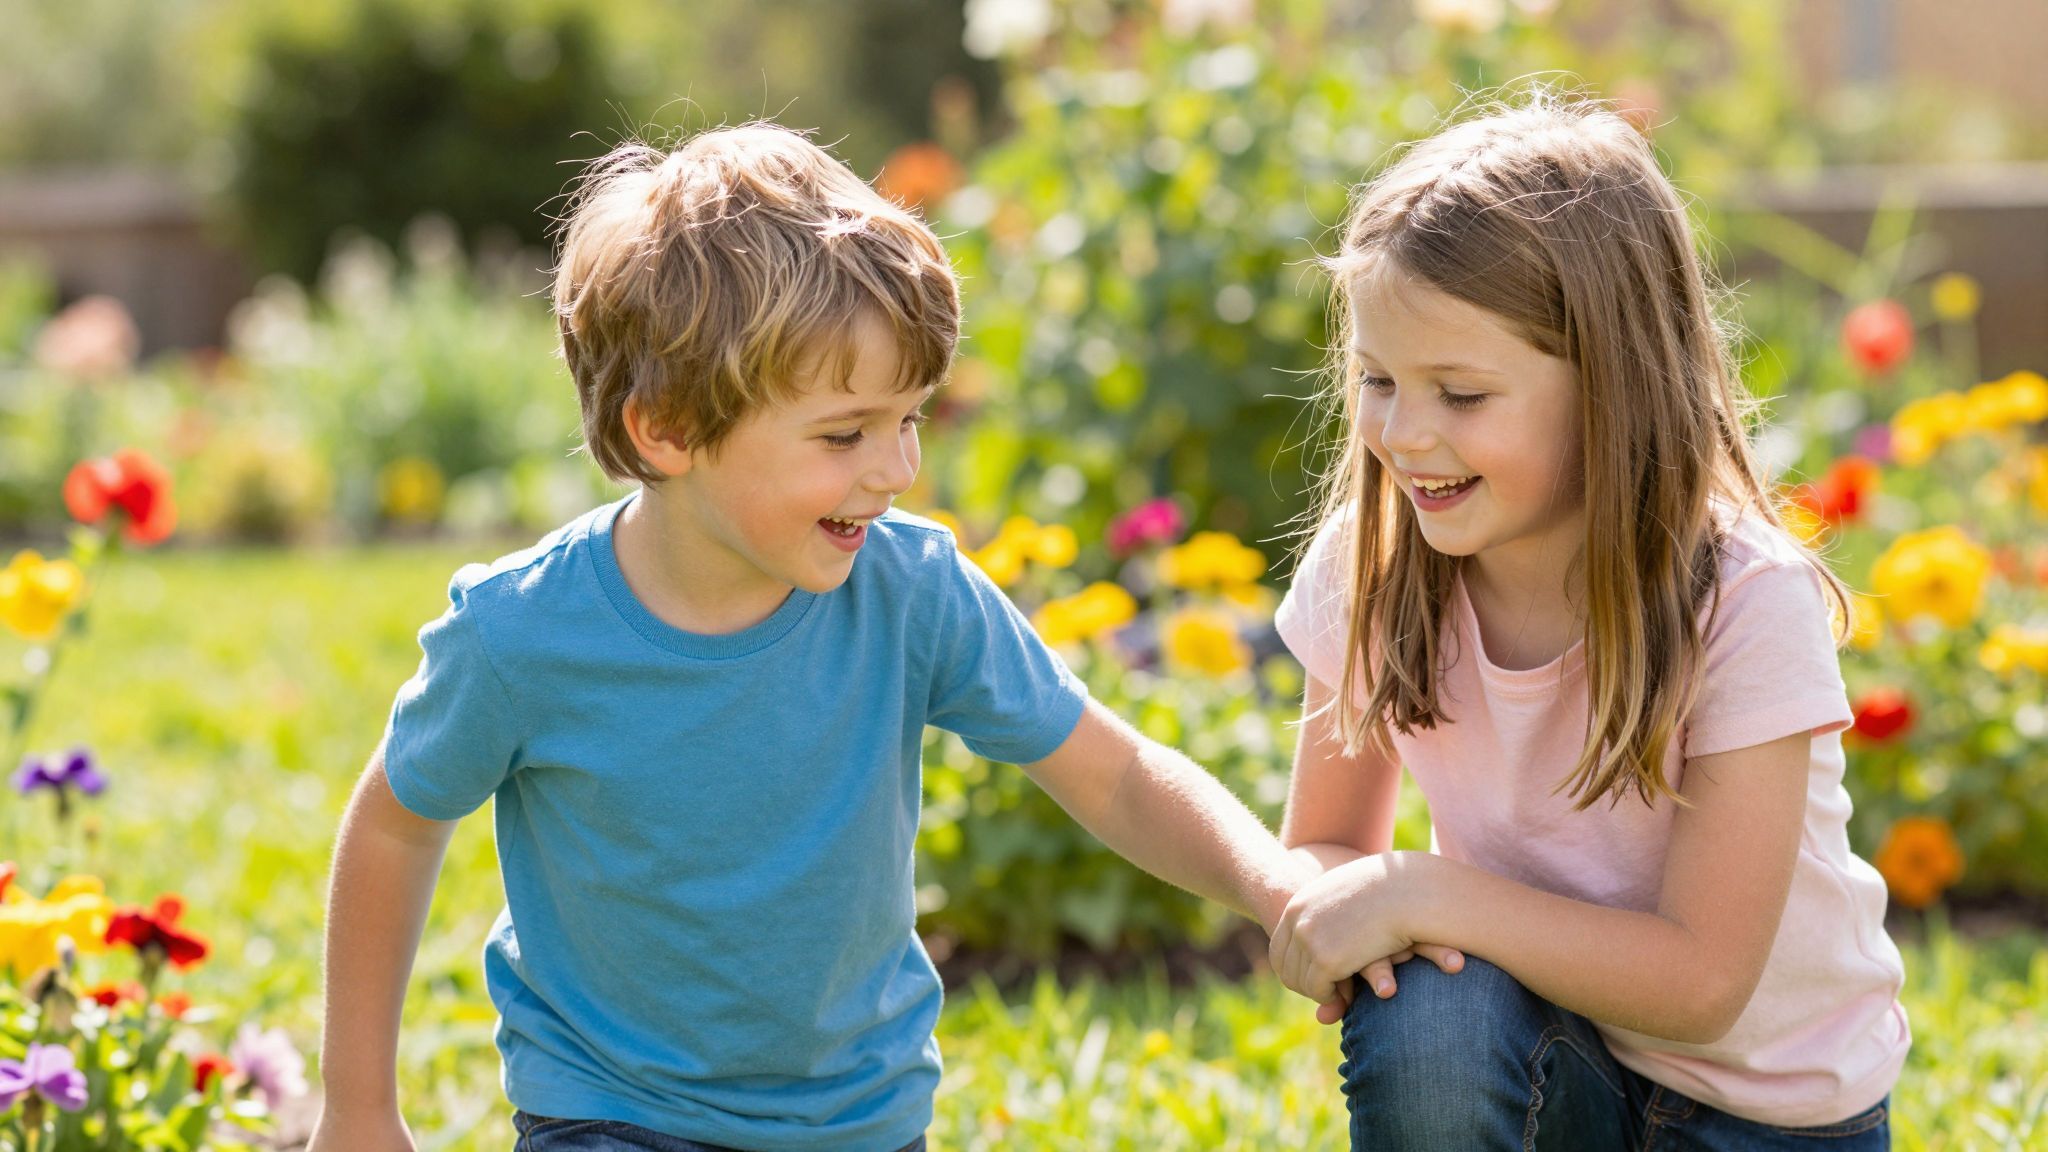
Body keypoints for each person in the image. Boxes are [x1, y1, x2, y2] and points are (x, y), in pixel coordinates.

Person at [307, 123, 1301, 1152]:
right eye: (845, 434)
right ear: (667, 429)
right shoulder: (521, 634)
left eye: (909, 419)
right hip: (611, 1113)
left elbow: (1114, 776)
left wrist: (1271, 886)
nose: (895, 469)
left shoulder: (910, 591)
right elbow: (394, 824)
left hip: (855, 1123)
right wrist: (359, 1113)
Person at [1265, 92, 1907, 1151]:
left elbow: (1701, 980)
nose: (1404, 433)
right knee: (1428, 1024)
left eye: (1460, 395)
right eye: (1377, 380)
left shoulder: (1740, 599)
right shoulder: (1371, 566)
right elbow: (1327, 840)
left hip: (1772, 1124)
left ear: (1607, 387)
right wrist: (1325, 910)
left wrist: (1422, 889)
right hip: (1547, 1061)